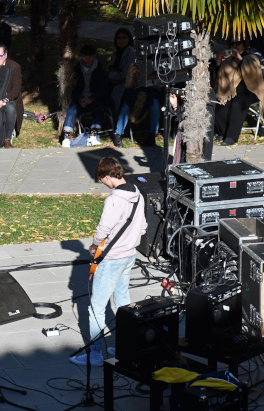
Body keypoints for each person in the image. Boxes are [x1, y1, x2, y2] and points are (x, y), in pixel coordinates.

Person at [69, 157, 146, 367]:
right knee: (123, 301)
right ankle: (124, 346)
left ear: (108, 176)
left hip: (111, 259)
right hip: (130, 255)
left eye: (102, 179)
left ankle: (94, 354)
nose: (102, 183)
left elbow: (103, 229)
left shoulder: (114, 200)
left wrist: (95, 246)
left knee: (96, 307)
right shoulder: (137, 192)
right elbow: (143, 226)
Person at [214, 39, 264, 146]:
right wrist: (218, 61)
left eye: (237, 43)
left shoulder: (251, 58)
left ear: (244, 45)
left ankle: (231, 136)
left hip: (250, 91)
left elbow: (253, 74)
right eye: (232, 43)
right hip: (230, 91)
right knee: (219, 103)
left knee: (237, 104)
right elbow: (219, 77)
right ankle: (222, 132)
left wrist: (240, 59)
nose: (234, 46)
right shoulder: (228, 60)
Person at [61, 44, 109, 147]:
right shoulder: (76, 69)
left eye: (89, 56)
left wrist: (92, 98)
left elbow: (103, 89)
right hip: (80, 100)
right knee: (72, 108)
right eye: (84, 56)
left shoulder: (100, 70)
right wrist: (80, 99)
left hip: (94, 99)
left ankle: (93, 134)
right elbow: (73, 88)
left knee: (100, 107)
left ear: (94, 56)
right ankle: (66, 137)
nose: (86, 59)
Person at [111, 62, 161, 147]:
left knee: (155, 104)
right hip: (135, 93)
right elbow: (128, 86)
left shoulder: (155, 62)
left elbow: (159, 86)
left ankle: (152, 134)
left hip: (150, 92)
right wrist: (131, 74)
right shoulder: (135, 63)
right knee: (126, 106)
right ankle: (118, 134)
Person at [107, 28, 135, 115]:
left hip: (123, 83)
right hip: (113, 80)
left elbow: (125, 73)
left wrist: (109, 76)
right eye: (119, 38)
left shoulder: (130, 52)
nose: (121, 40)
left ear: (129, 39)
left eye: (124, 38)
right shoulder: (116, 52)